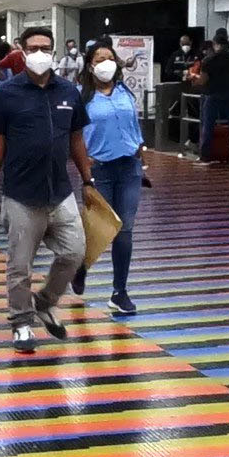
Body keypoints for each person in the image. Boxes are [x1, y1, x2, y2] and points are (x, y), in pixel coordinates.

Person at [0, 26, 94, 355]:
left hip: (60, 192)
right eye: (33, 48)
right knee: (20, 265)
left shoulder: (68, 91)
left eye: (45, 47)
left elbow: (76, 139)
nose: (40, 53)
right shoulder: (6, 93)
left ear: (53, 52)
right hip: (21, 194)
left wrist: (88, 180)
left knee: (74, 253)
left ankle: (44, 302)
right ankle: (21, 322)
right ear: (23, 52)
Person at [78, 43, 145, 315]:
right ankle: (80, 266)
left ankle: (119, 292)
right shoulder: (83, 98)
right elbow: (73, 134)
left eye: (110, 58)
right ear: (90, 66)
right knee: (98, 229)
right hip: (100, 170)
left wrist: (140, 148)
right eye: (100, 59)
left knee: (124, 230)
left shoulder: (124, 91)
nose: (106, 63)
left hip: (129, 168)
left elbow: (133, 124)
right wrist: (84, 164)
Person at [196, 33, 229, 164]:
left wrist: (195, 80)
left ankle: (205, 156)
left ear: (216, 44)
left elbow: (203, 80)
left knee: (208, 125)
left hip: (213, 94)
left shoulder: (208, 60)